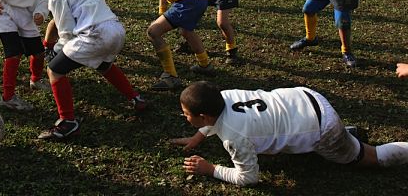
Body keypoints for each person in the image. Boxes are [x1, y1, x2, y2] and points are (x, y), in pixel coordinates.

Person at [171, 81, 408, 187]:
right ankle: (345, 135)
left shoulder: (234, 137)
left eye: (186, 113)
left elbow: (248, 178)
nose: (184, 117)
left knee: (368, 156)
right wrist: (198, 137)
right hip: (305, 98)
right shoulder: (225, 95)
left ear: (203, 116)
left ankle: (346, 140)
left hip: (320, 126)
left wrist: (211, 169)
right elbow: (218, 117)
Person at [24, 0, 147, 140]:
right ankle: (136, 98)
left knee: (54, 70)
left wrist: (54, 51)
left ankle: (68, 122)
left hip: (95, 34)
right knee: (103, 64)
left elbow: (66, 34)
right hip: (115, 29)